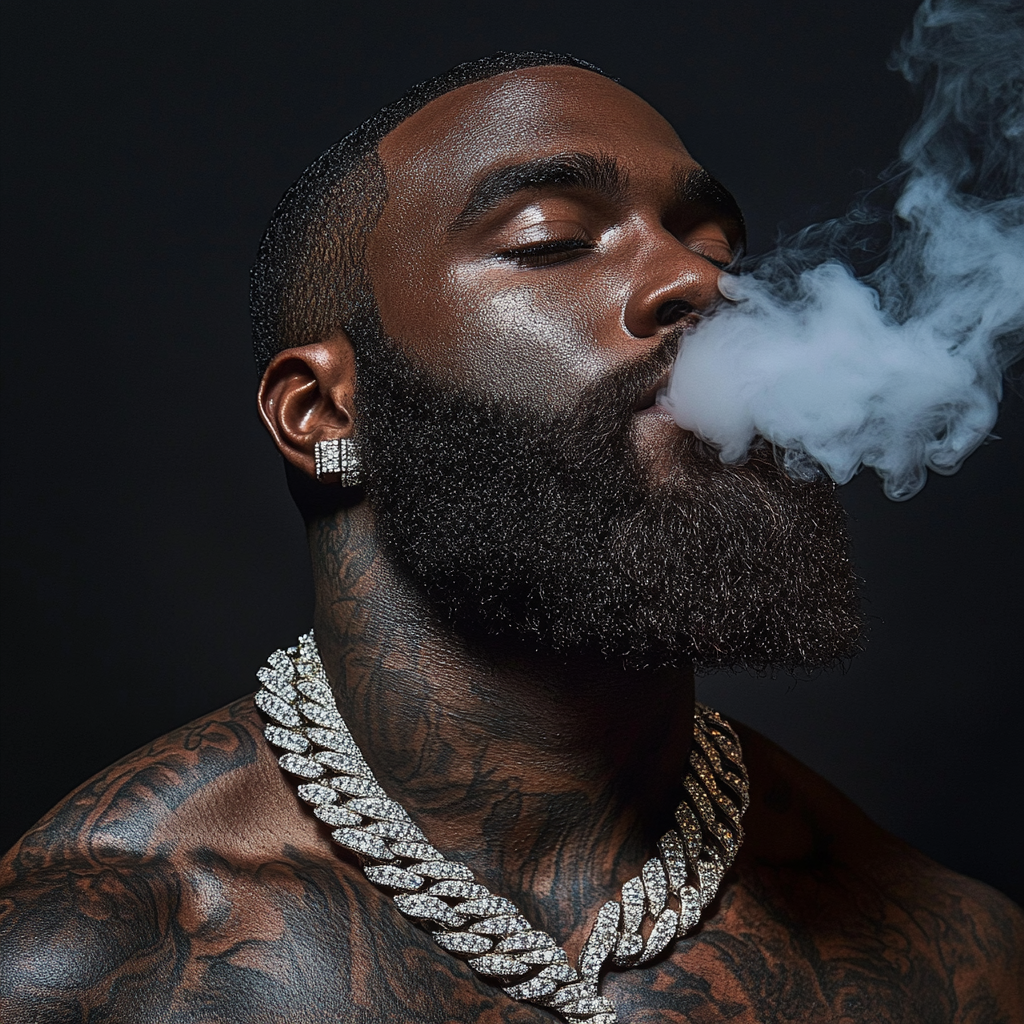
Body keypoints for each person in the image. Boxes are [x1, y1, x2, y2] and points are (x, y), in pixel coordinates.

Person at [1, 52, 1020, 1024]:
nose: (703, 287)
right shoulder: (85, 962)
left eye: (715, 250)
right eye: (548, 240)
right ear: (322, 412)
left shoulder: (956, 960)